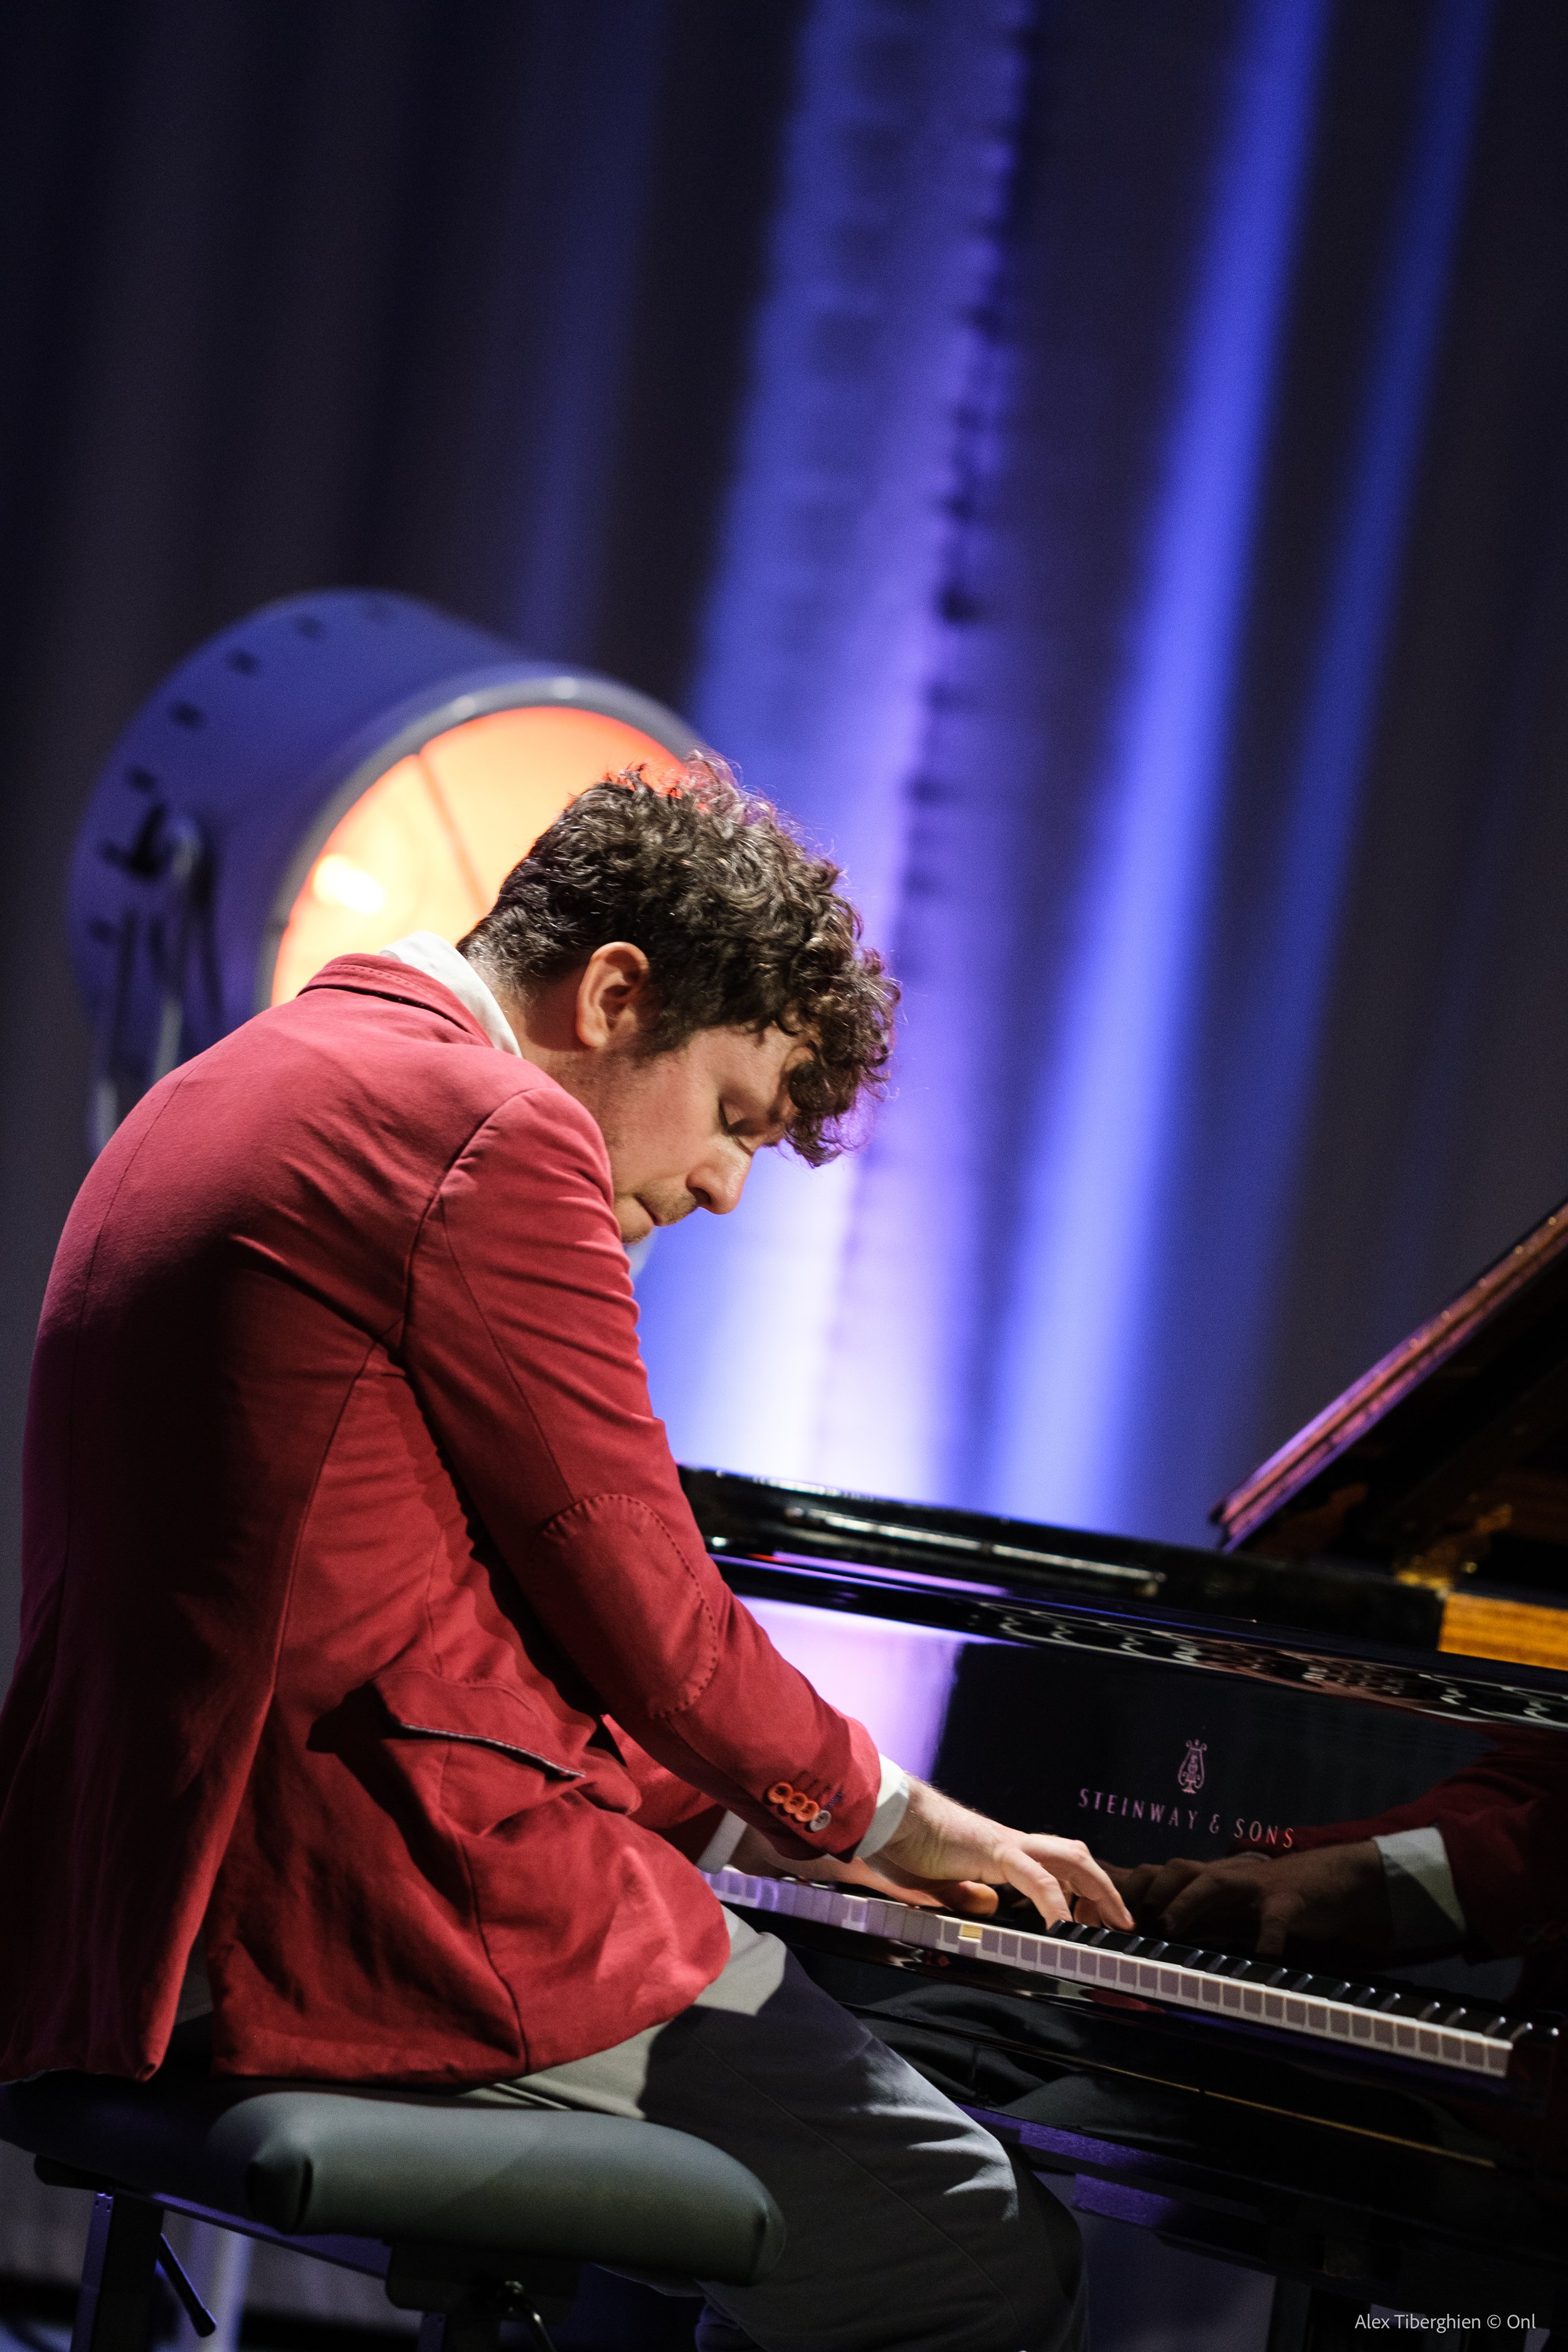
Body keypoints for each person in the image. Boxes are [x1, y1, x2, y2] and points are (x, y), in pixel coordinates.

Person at [0, 760, 1130, 2352]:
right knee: (977, 2242)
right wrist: (876, 1802)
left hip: (123, 1916)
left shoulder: (230, 1084)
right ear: (612, 993)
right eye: (736, 1114)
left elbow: (401, 1621)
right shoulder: (486, 1133)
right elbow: (654, 1615)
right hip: (372, 1909)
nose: (731, 1188)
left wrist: (753, 1827)